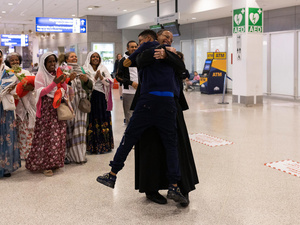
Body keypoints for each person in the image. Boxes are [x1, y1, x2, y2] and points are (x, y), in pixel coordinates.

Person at [96, 29, 188, 204]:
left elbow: (126, 63)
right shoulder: (170, 55)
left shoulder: (147, 52)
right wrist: (168, 53)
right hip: (168, 104)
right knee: (171, 144)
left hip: (148, 101)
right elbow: (182, 69)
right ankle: (174, 185)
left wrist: (147, 48)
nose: (137, 45)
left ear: (147, 39)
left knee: (130, 137)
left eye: (140, 41)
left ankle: (113, 174)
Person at [134, 47, 198, 207]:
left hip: (172, 105)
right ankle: (151, 188)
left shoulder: (173, 59)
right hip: (147, 104)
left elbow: (183, 71)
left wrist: (168, 55)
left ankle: (182, 188)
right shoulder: (145, 57)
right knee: (150, 147)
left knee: (178, 146)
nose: (167, 41)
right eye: (164, 38)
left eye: (170, 38)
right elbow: (136, 61)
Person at [25, 52, 69, 176]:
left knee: (57, 136)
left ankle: (55, 162)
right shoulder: (40, 75)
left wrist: (64, 82)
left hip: (58, 107)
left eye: (54, 61)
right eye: (49, 61)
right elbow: (41, 92)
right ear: (44, 63)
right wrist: (54, 83)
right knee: (46, 137)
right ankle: (45, 165)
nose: (52, 64)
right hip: (46, 109)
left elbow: (65, 89)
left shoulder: (57, 73)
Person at [62, 52, 93, 164]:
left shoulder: (83, 70)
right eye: (72, 56)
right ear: (66, 58)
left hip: (80, 105)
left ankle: (79, 155)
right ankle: (66, 155)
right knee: (68, 129)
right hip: (68, 104)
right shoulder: (62, 69)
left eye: (75, 56)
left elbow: (91, 86)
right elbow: (60, 85)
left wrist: (86, 81)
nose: (74, 58)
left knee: (80, 129)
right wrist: (69, 79)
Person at [5, 52, 36, 160]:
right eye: (12, 60)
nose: (15, 62)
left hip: (27, 105)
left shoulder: (26, 72)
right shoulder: (7, 73)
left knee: (28, 130)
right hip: (14, 105)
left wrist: (31, 88)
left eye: (16, 60)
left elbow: (34, 85)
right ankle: (18, 154)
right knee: (16, 130)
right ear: (8, 62)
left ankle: (28, 153)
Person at [83, 51, 114, 154]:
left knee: (103, 118)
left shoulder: (103, 68)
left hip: (102, 97)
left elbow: (110, 81)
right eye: (93, 57)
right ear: (89, 58)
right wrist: (95, 78)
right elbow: (84, 83)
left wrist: (101, 77)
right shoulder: (86, 68)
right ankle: (93, 146)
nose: (95, 58)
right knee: (92, 119)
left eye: (97, 57)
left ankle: (105, 145)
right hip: (91, 97)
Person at [0, 50, 21, 178]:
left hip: (5, 108)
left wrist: (12, 88)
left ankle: (6, 166)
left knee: (7, 134)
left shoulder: (8, 71)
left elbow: (15, 86)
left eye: (0, 56)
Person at [115, 41, 138, 125]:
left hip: (140, 91)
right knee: (129, 115)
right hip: (128, 92)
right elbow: (118, 77)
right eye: (132, 47)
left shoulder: (139, 58)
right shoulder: (123, 60)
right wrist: (131, 83)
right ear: (127, 48)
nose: (134, 49)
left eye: (135, 47)